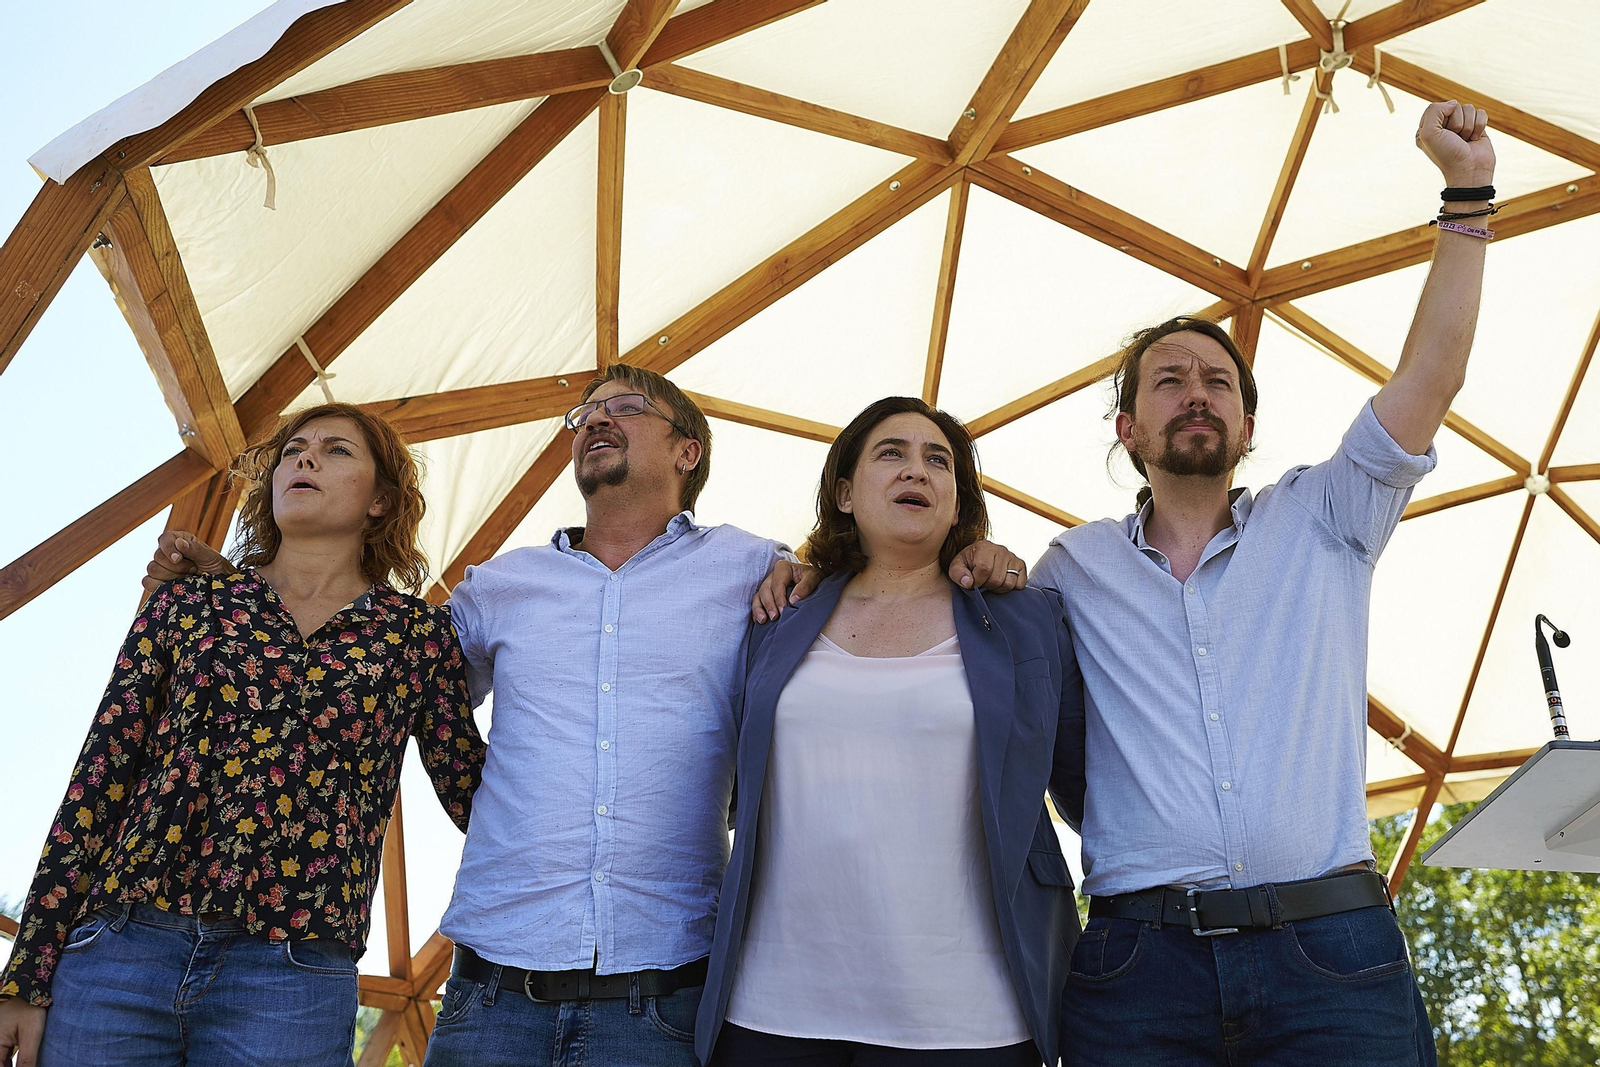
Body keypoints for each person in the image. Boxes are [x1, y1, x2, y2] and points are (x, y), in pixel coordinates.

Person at [758, 100, 1493, 1065]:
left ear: (1247, 426)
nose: (1197, 392)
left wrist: (1467, 194)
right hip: (1142, 965)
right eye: (1169, 380)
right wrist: (816, 565)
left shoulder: (1325, 516)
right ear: (1129, 430)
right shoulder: (1071, 570)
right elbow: (946, 616)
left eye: (1219, 381)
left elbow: (1431, 376)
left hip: (1330, 951)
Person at [141, 366, 1030, 1067]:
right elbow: (368, 656)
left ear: (687, 450)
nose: (596, 419)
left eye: (626, 407)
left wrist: (977, 555)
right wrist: (240, 590)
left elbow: (880, 582)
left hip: (659, 1005)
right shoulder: (500, 585)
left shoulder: (753, 569)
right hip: (487, 1000)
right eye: (585, 414)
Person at [0, 403, 486, 1067]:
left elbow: (475, 795)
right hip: (120, 952)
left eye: (337, 450)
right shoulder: (187, 603)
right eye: (293, 450)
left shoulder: (416, 636)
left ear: (380, 501)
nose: (305, 457)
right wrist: (26, 976)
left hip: (292, 977)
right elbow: (98, 779)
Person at [698, 397, 1085, 1067]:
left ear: (957, 504)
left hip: (967, 1014)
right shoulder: (778, 613)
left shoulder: (1026, 619)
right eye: (892, 454)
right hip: (773, 1004)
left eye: (939, 461)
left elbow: (1080, 781)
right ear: (845, 493)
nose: (917, 470)